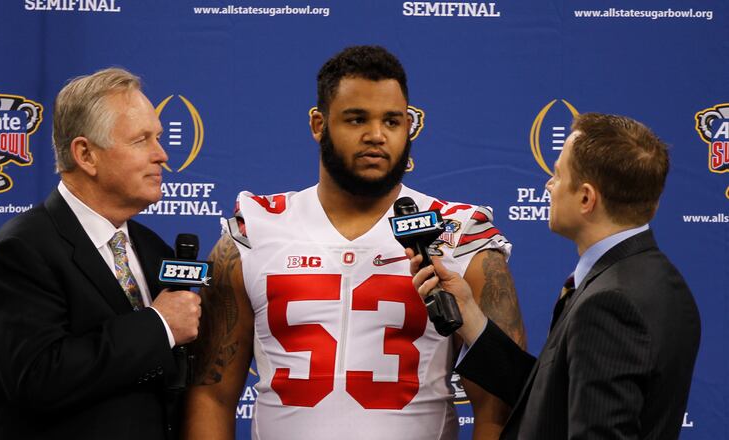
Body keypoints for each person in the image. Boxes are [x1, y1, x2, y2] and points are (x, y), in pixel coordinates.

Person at [184, 46, 526, 440]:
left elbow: (499, 405)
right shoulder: (255, 230)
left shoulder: (460, 232)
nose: (377, 135)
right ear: (318, 123)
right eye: (356, 119)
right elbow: (212, 394)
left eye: (393, 121)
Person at [410, 113, 701, 439]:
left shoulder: (610, 302)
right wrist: (470, 317)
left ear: (586, 198)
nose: (548, 185)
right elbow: (549, 397)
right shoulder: (661, 282)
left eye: (558, 175)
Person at [0, 68, 202, 440]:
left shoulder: (154, 249)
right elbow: (37, 378)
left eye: (158, 138)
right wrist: (157, 326)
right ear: (86, 154)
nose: (162, 154)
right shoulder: (21, 250)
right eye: (142, 140)